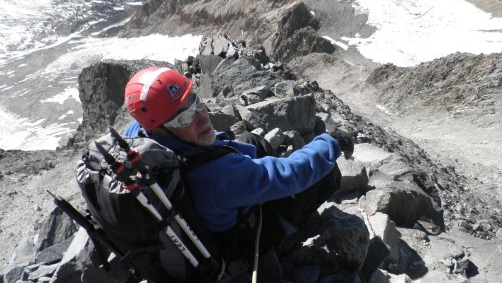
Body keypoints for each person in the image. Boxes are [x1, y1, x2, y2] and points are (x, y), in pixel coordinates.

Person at [123, 66, 353, 256]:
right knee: (326, 174)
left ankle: (260, 183)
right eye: (184, 118)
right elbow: (291, 173)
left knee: (250, 142)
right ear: (161, 129)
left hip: (209, 206)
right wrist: (331, 142)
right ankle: (286, 236)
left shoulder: (140, 132)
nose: (203, 117)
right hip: (240, 237)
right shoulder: (218, 174)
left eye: (196, 102)